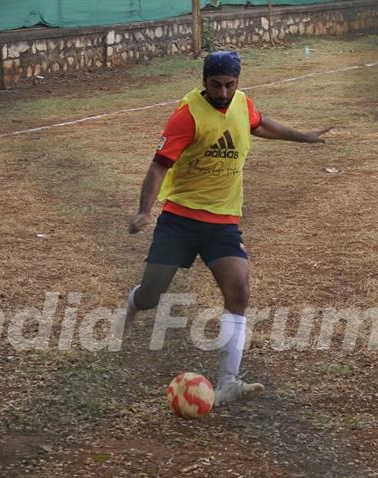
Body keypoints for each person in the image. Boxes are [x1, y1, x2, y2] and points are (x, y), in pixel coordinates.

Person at [123, 51, 331, 405]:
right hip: (181, 219)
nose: (223, 92)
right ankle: (130, 308)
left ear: (237, 82)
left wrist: (304, 137)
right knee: (151, 296)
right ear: (203, 81)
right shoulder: (186, 117)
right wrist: (145, 211)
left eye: (230, 85)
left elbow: (260, 124)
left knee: (239, 292)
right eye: (216, 85)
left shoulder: (242, 103)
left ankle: (228, 381)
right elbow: (158, 167)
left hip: (223, 221)